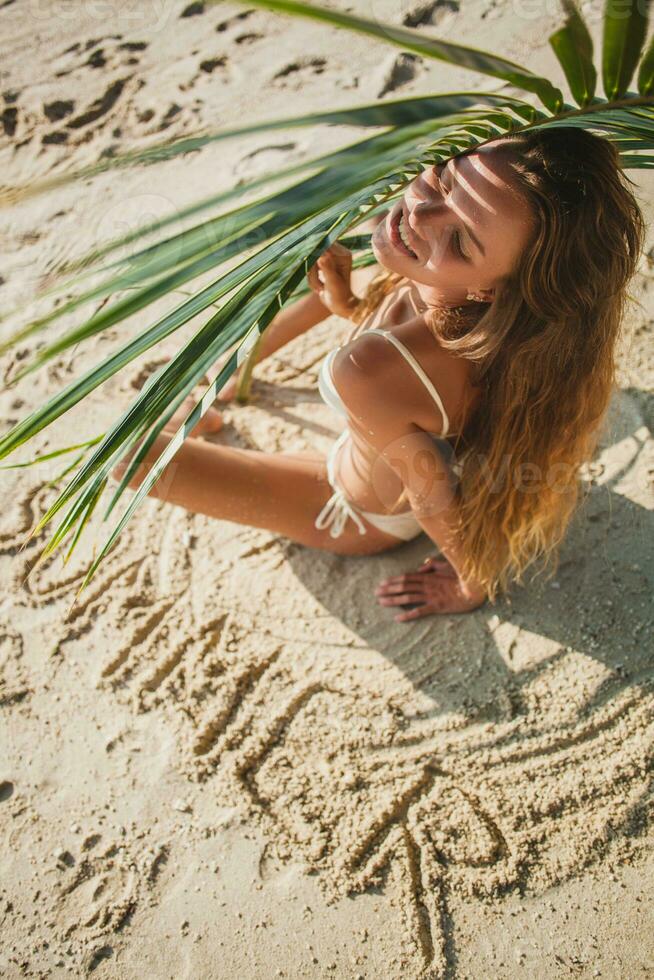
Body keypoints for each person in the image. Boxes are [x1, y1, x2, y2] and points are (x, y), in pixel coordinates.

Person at [111, 127, 645, 620]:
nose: (420, 214)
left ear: (490, 288)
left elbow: (430, 494)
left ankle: (201, 417)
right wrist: (344, 306)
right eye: (446, 175)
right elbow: (405, 368)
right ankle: (206, 407)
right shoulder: (464, 300)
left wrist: (471, 583)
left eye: (459, 241)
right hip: (381, 448)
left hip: (348, 507)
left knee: (125, 462)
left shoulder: (374, 369)